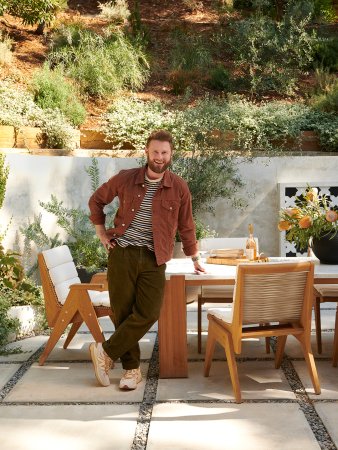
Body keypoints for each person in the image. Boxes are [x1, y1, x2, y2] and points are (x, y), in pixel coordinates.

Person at [88, 129, 205, 390]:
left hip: (155, 258)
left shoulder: (179, 187)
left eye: (164, 152)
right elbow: (97, 201)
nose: (159, 157)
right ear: (147, 152)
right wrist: (101, 233)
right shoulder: (126, 179)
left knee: (149, 312)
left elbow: (187, 226)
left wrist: (194, 256)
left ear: (171, 154)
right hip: (123, 253)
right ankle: (131, 371)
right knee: (123, 312)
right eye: (155, 152)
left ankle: (105, 352)